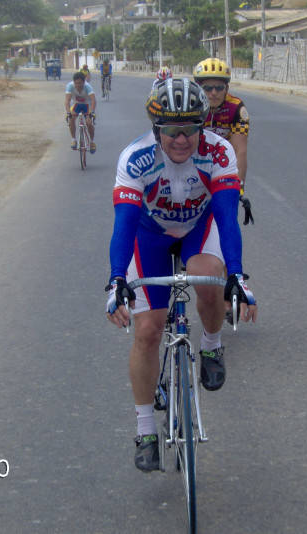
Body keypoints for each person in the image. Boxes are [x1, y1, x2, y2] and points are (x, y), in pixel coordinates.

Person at [105, 78, 257, 472]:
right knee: (148, 330)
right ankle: (146, 430)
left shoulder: (218, 152)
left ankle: (210, 344)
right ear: (157, 129)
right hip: (149, 235)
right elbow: (123, 223)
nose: (181, 139)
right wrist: (117, 279)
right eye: (171, 130)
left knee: (208, 276)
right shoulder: (136, 159)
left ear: (202, 126)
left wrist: (237, 277)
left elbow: (226, 217)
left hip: (198, 229)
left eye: (190, 128)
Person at [193, 57, 254, 224]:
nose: (214, 93)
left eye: (219, 88)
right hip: (192, 164)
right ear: (198, 88)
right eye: (208, 88)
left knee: (227, 221)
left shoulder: (236, 108)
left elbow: (240, 151)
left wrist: (238, 187)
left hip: (222, 165)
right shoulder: (191, 106)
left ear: (226, 88)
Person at [64, 72, 97, 153]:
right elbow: (67, 101)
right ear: (73, 82)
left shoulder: (88, 86)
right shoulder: (70, 86)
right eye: (76, 83)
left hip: (87, 105)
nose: (78, 85)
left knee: (89, 123)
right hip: (76, 105)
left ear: (84, 81)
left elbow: (93, 100)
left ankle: (92, 142)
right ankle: (73, 139)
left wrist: (92, 113)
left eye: (80, 83)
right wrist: (68, 113)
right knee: (71, 118)